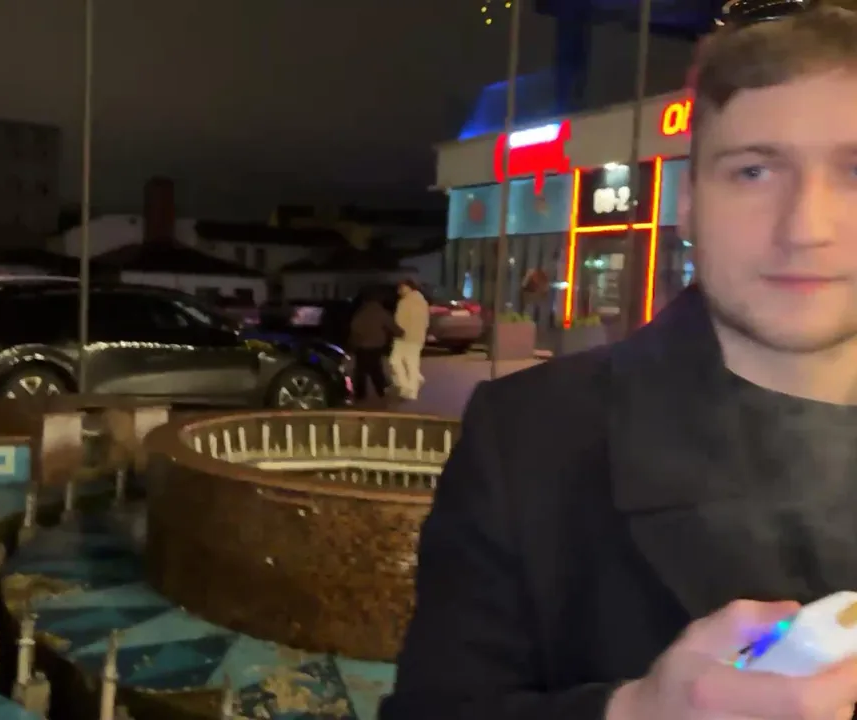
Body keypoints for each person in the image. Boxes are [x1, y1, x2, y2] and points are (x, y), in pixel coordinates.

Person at [381, 2, 857, 718]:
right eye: (755, 171)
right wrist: (634, 712)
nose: (806, 228)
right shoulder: (533, 436)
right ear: (689, 202)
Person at [348, 290, 402, 402]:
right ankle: (381, 390)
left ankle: (360, 393)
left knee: (361, 370)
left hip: (362, 345)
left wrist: (355, 341)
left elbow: (354, 326)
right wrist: (400, 333)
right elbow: (392, 326)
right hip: (376, 345)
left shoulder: (361, 312)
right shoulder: (381, 312)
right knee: (375, 368)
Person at [390, 279, 429, 400]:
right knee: (410, 363)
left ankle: (408, 386)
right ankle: (411, 388)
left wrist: (397, 331)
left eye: (401, 288)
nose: (399, 291)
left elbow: (400, 320)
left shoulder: (405, 302)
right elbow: (425, 321)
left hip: (404, 336)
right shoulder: (422, 301)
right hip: (416, 337)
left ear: (409, 287)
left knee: (396, 361)